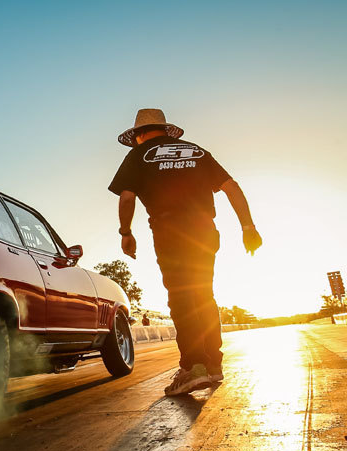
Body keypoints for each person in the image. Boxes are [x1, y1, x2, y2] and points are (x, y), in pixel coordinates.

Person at [108, 108, 262, 396]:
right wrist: (248, 227)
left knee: (181, 295)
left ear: (139, 134)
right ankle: (213, 364)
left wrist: (125, 232)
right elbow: (231, 187)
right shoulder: (197, 152)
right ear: (165, 130)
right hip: (204, 231)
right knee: (203, 294)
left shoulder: (138, 155)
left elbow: (127, 197)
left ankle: (193, 366)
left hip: (170, 232)